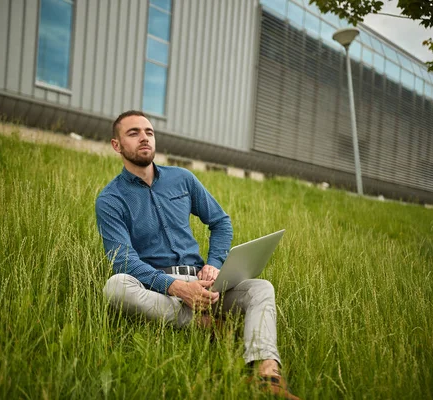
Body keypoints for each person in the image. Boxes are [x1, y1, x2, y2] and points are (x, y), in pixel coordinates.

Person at [95, 110, 299, 399]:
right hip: (158, 289)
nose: (144, 138)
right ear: (117, 145)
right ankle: (206, 325)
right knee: (115, 287)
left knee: (261, 288)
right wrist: (176, 287)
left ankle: (267, 375)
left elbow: (220, 222)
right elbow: (123, 259)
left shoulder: (182, 179)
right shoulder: (110, 199)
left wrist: (215, 265)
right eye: (134, 133)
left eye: (149, 132)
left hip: (205, 284)